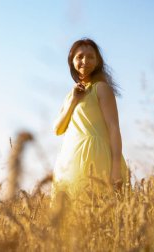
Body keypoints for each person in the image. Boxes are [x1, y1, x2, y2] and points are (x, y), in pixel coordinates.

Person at [50, 38, 128, 206]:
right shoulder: (71, 95)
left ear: (98, 61)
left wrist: (115, 168)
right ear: (72, 61)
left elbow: (114, 128)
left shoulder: (101, 88)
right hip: (69, 162)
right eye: (80, 57)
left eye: (91, 57)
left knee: (99, 211)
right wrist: (73, 101)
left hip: (98, 159)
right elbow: (57, 129)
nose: (85, 61)